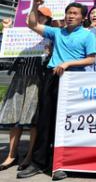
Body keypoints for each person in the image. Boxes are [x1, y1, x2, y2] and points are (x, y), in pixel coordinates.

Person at [18, 0, 96, 180]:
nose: (70, 16)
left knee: (67, 124)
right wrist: (34, 6)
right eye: (68, 13)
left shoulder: (87, 36)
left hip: (73, 81)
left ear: (83, 18)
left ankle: (61, 164)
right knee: (45, 120)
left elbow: (91, 59)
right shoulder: (57, 32)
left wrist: (68, 63)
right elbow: (32, 24)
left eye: (75, 13)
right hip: (52, 77)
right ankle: (39, 162)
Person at [0, 11, 48, 172]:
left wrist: (48, 52)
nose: (36, 18)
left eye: (41, 17)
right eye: (33, 16)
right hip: (19, 78)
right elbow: (6, 53)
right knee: (14, 117)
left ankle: (29, 155)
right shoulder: (20, 33)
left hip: (37, 80)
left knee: (33, 119)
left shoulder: (49, 35)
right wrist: (6, 31)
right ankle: (11, 154)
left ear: (46, 20)